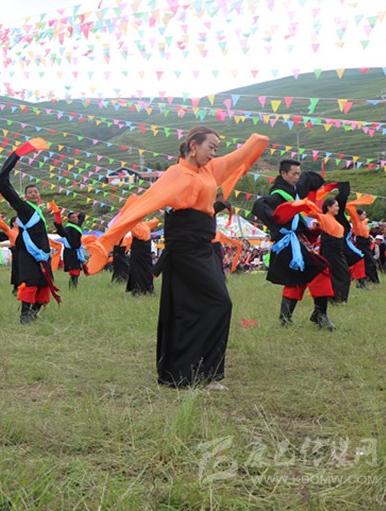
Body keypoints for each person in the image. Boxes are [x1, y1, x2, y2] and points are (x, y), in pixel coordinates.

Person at [84, 127, 269, 389]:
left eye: (216, 149)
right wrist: (106, 242)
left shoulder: (210, 170)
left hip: (204, 248)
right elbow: (142, 205)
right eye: (210, 147)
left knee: (199, 306)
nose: (214, 153)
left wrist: (257, 140)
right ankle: (195, 371)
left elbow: (237, 158)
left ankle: (195, 372)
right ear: (193, 146)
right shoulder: (175, 174)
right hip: (184, 249)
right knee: (216, 303)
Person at [252, 159, 333, 329]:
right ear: (283, 174)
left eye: (298, 174)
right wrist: (277, 221)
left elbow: (309, 180)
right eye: (294, 174)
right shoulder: (278, 194)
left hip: (294, 240)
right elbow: (259, 205)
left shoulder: (294, 190)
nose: (297, 177)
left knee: (296, 277)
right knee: (321, 268)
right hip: (287, 242)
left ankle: (285, 319)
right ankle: (320, 315)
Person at [0, 138, 60, 325]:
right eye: (30, 192)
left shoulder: (39, 211)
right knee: (30, 283)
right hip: (27, 253)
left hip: (43, 252)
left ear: (39, 196)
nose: (33, 193)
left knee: (45, 284)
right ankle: (24, 316)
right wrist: (16, 156)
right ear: (25, 196)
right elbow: (3, 184)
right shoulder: (23, 208)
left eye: (35, 192)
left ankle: (33, 314)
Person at [344, 196, 376, 288]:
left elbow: (366, 222)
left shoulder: (364, 222)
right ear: (358, 215)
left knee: (369, 261)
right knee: (366, 261)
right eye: (363, 214)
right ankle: (365, 280)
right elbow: (348, 206)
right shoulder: (356, 221)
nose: (365, 216)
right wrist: (361, 201)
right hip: (361, 242)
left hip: (366, 242)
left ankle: (369, 279)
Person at [54, 208, 87, 289]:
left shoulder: (77, 225)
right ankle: (72, 288)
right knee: (74, 272)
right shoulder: (68, 229)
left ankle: (73, 288)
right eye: (73, 217)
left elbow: (82, 215)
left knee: (76, 272)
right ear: (69, 219)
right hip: (70, 253)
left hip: (76, 252)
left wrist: (74, 212)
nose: (75, 219)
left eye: (76, 217)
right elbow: (62, 231)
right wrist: (58, 219)